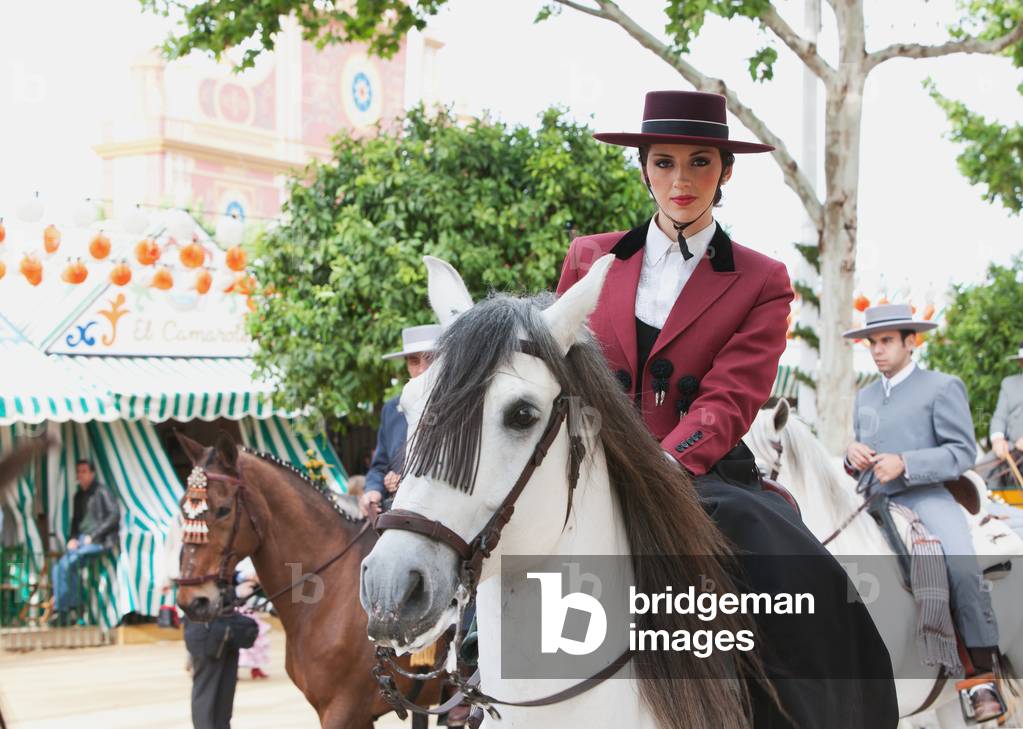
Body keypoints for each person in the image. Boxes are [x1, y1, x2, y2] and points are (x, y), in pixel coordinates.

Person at [558, 90, 898, 728]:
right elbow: (559, 366)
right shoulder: (589, 258)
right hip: (588, 458)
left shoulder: (762, 279)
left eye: (699, 163)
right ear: (643, 168)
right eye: (663, 163)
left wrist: (657, 467)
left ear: (726, 171)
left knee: (795, 569)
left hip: (698, 471)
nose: (680, 180)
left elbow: (732, 396)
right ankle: (471, 673)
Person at [843, 303, 1005, 722]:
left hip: (927, 496)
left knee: (962, 567)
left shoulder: (942, 386)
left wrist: (907, 463)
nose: (876, 351)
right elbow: (861, 451)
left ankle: (981, 676)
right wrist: (851, 454)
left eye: (885, 342)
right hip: (872, 500)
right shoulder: (865, 396)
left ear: (910, 342)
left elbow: (961, 452)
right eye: (871, 343)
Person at [359, 324, 442, 517]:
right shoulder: (392, 409)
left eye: (430, 359)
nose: (422, 369)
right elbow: (379, 467)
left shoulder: (463, 406)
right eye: (414, 361)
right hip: (396, 514)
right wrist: (373, 490)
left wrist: (406, 480)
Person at [49, 459, 120, 626]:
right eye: (78, 471)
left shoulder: (101, 491)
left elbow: (114, 515)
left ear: (92, 473)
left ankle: (66, 610)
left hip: (99, 541)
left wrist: (94, 536)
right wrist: (72, 538)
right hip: (82, 540)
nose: (80, 475)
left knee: (68, 564)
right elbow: (76, 521)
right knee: (59, 566)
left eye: (84, 471)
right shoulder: (78, 495)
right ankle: (69, 607)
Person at [184, 592, 258, 729]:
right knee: (206, 695)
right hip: (206, 634)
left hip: (227, 631)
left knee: (225, 695)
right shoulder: (195, 575)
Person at [991, 341, 1023, 463]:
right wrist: (998, 440)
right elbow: (999, 417)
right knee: (977, 475)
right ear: (1020, 363)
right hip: (1011, 449)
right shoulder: (1008, 384)